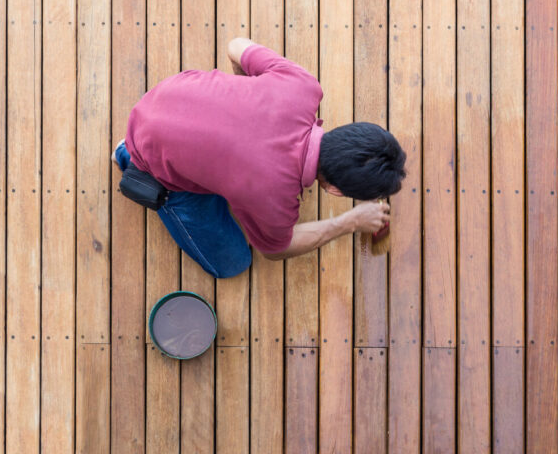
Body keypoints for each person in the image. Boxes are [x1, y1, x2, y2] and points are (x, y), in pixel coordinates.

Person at [113, 36, 405, 278]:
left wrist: (246, 102)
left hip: (168, 95)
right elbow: (275, 249)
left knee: (230, 177)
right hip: (149, 150)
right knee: (233, 264)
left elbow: (236, 45)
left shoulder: (303, 85)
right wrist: (350, 222)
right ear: (335, 190)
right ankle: (127, 155)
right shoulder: (273, 198)